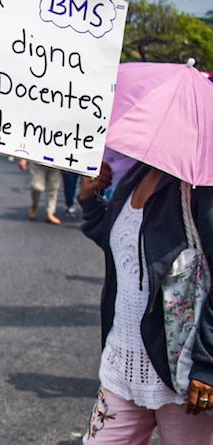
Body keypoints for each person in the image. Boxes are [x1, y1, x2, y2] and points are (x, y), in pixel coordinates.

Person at [79, 162, 213, 443]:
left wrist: (206, 366)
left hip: (182, 376)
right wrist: (90, 200)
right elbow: (126, 248)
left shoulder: (200, 187)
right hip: (121, 366)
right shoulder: (137, 174)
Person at [19, 158, 63, 224]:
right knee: (36, 187)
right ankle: (34, 205)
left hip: (56, 162)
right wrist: (24, 159)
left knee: (53, 188)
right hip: (38, 161)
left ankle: (50, 212)